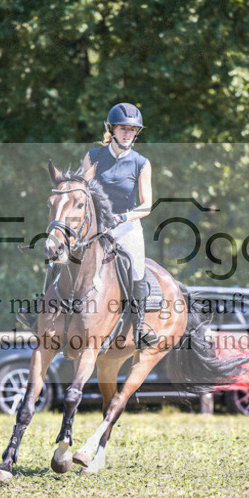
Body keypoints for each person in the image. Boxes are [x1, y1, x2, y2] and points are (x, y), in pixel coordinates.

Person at [81, 103, 159, 348]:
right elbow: (83, 194)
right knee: (60, 254)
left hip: (126, 227)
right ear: (111, 129)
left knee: (136, 268)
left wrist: (123, 217)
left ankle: (140, 327)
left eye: (133, 130)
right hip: (96, 227)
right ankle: (44, 312)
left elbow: (147, 205)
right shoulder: (93, 157)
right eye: (123, 128)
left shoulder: (141, 163)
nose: (128, 134)